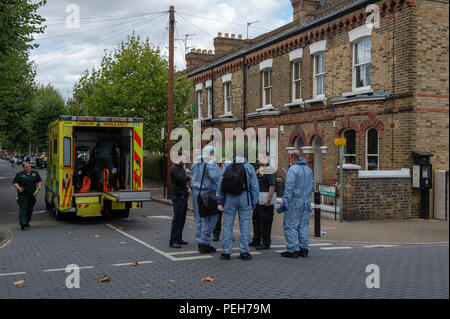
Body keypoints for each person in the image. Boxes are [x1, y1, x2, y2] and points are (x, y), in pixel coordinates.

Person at [216, 147, 259, 261]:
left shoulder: (227, 166)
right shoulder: (249, 167)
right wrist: (254, 201)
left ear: (234, 155)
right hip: (245, 197)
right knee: (244, 224)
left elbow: (221, 182)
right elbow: (254, 186)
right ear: (245, 155)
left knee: (227, 224)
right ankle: (244, 251)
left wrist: (220, 198)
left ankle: (226, 252)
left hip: (230, 198)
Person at [279, 149, 314, 258]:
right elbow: (312, 186)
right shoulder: (309, 170)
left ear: (292, 157)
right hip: (306, 201)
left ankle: (292, 249)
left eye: (290, 157)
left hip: (295, 201)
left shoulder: (293, 169)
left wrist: (285, 201)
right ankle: (304, 249)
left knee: (290, 225)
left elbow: (289, 187)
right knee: (303, 225)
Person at [191, 146, 221, 253]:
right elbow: (215, 177)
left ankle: (200, 241)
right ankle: (205, 243)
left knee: (199, 217)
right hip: (207, 193)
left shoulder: (197, 161)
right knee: (209, 218)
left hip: (196, 192)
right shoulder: (211, 163)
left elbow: (193, 174)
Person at [249, 154, 276, 250]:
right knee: (256, 219)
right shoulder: (262, 169)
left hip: (265, 201)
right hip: (258, 200)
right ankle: (256, 239)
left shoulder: (269, 169)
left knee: (265, 221)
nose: (257, 160)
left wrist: (268, 200)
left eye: (259, 158)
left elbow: (272, 186)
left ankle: (266, 242)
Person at [169, 152, 192, 248]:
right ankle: (173, 241)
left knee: (182, 219)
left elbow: (183, 182)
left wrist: (188, 187)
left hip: (183, 195)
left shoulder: (181, 168)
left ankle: (179, 238)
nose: (184, 161)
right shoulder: (174, 169)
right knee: (177, 219)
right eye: (183, 159)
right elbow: (181, 178)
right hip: (177, 196)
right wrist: (190, 177)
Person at [12, 161, 42, 230]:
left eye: (29, 166)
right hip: (23, 194)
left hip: (32, 194)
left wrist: (39, 185)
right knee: (23, 208)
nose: (28, 168)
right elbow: (15, 182)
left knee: (30, 208)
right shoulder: (20, 174)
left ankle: (27, 222)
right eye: (26, 167)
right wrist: (19, 187)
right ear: (23, 168)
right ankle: (22, 223)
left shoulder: (35, 173)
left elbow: (39, 181)